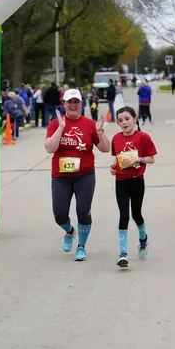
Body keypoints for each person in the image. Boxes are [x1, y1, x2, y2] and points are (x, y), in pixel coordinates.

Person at [44, 89, 110, 261]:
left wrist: (100, 132)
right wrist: (61, 128)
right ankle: (70, 231)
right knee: (59, 213)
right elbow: (50, 148)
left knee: (83, 210)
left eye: (76, 102)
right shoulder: (55, 123)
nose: (73, 105)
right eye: (69, 102)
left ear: (81, 104)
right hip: (61, 177)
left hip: (84, 175)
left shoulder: (89, 124)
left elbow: (105, 148)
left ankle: (81, 246)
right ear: (64, 104)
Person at [109, 106, 157, 268]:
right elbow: (117, 159)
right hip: (121, 181)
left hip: (137, 181)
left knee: (136, 214)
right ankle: (123, 253)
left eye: (127, 119)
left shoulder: (143, 137)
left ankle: (143, 240)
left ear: (135, 119)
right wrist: (113, 167)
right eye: (120, 120)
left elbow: (151, 159)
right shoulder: (116, 139)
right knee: (124, 215)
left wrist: (138, 159)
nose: (124, 122)